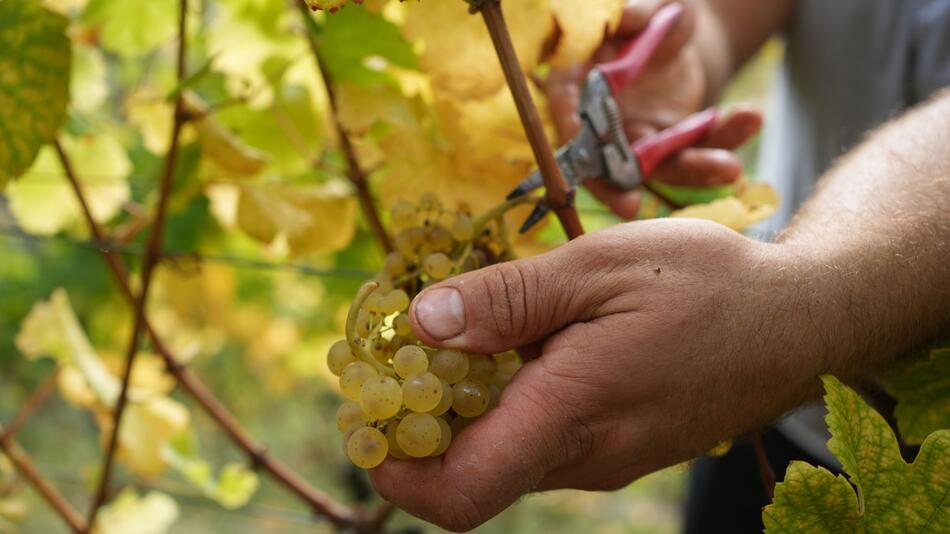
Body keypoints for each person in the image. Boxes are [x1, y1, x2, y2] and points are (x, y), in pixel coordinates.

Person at [371, 0, 950, 531]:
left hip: (813, 386)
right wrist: (702, 47)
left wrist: (801, 302)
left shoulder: (747, 349)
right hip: (770, 398)